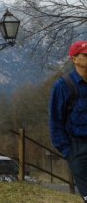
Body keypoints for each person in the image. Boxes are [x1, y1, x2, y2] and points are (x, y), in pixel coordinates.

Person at [50, 41, 87, 201]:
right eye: (86, 55)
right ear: (74, 59)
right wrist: (68, 151)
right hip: (77, 147)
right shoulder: (63, 86)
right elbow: (55, 121)